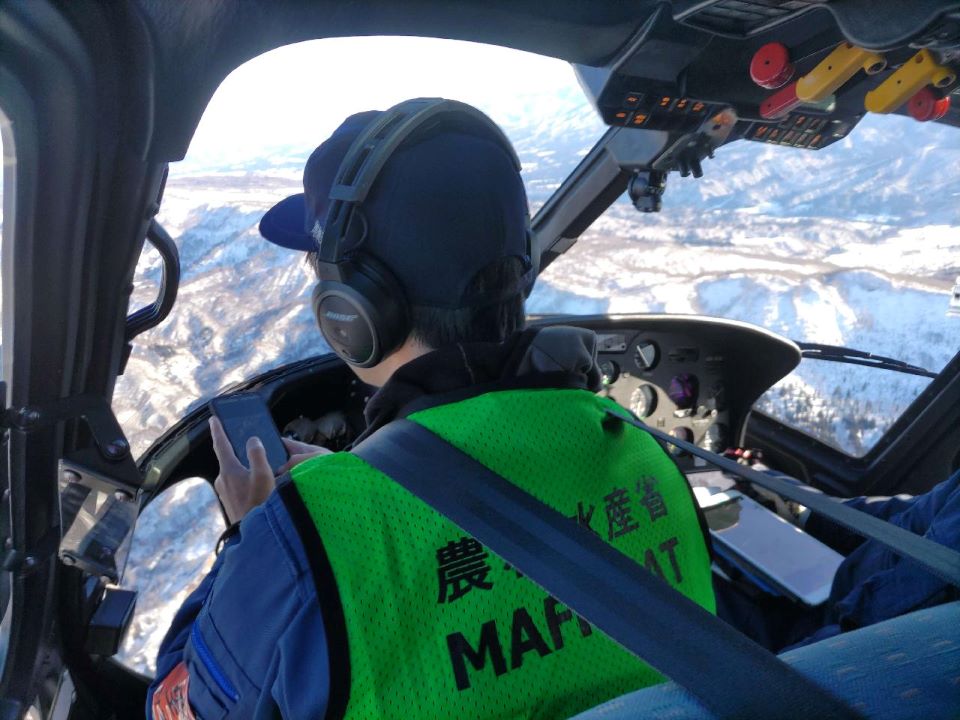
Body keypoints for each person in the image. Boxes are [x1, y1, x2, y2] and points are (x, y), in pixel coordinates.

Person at [147, 99, 716, 719]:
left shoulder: (305, 538)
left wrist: (252, 536)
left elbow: (174, 708)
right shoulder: (641, 451)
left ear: (352, 310)